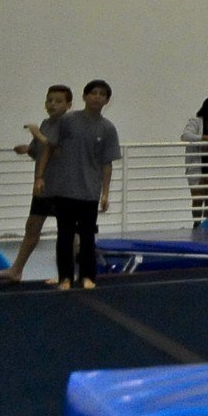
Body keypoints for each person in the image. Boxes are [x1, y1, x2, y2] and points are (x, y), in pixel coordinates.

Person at [36, 79, 120, 291]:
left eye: (102, 94)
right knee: (64, 234)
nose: (97, 97)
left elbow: (106, 163)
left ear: (107, 100)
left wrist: (105, 194)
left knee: (87, 236)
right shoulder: (67, 121)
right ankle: (65, 276)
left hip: (90, 191)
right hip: (65, 189)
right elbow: (49, 147)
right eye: (93, 93)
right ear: (84, 97)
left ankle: (87, 276)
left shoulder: (108, 129)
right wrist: (40, 176)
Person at [0, 84, 72, 282]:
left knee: (68, 231)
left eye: (58, 101)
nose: (52, 104)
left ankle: (67, 273)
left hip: (64, 186)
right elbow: (41, 152)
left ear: (68, 105)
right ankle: (16, 270)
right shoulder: (45, 123)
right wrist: (27, 148)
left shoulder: (69, 125)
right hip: (44, 186)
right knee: (32, 227)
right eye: (49, 100)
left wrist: (37, 134)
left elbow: (59, 151)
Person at [181, 95, 208, 224]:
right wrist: (205, 138)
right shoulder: (195, 122)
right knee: (198, 198)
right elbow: (185, 136)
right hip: (197, 165)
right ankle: (197, 223)